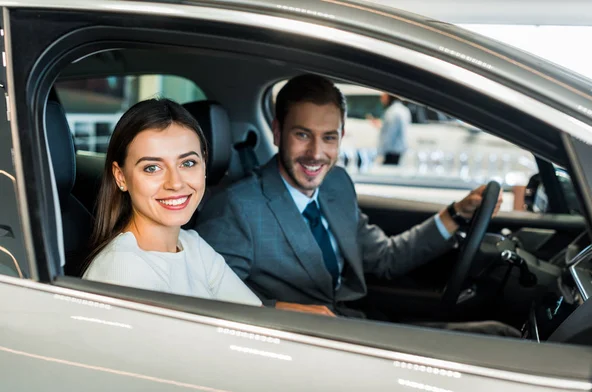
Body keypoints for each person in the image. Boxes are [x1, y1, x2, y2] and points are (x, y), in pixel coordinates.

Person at [195, 74, 517, 335]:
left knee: (500, 336)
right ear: (278, 132)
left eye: (329, 137)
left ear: (342, 135)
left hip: (359, 327)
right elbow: (207, 301)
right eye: (302, 135)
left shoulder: (337, 185)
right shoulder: (236, 207)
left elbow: (386, 257)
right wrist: (285, 311)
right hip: (302, 347)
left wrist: (455, 214)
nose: (316, 153)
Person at [81, 99, 261, 307]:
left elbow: (256, 318)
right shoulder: (122, 268)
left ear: (204, 164)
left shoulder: (192, 245)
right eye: (152, 168)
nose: (175, 183)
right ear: (121, 177)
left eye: (188, 163)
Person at [373, 93, 412, 165]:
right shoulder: (404, 110)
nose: (381, 100)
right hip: (399, 150)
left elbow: (390, 134)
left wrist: (381, 152)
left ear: (389, 96)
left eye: (383, 97)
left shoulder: (392, 112)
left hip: (391, 151)